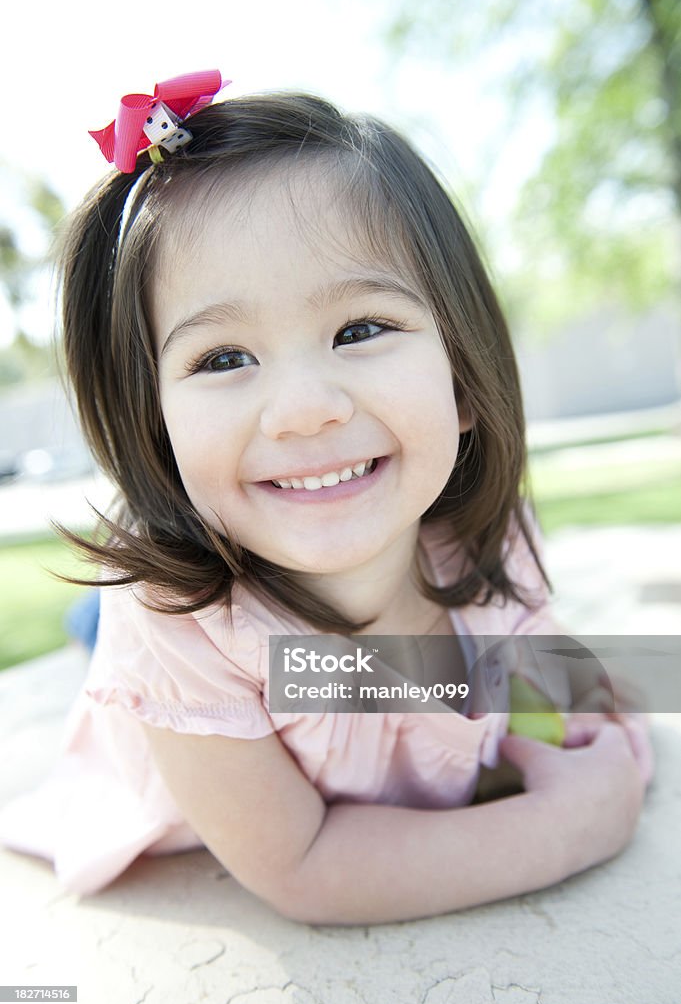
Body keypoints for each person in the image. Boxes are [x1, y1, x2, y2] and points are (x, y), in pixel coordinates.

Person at [0, 73, 653, 925]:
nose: (306, 409)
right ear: (154, 424)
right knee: (114, 627)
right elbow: (304, 863)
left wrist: (580, 732)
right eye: (224, 358)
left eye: (359, 330)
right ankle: (89, 633)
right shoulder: (179, 625)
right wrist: (567, 823)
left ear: (462, 381)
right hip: (208, 620)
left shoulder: (477, 533)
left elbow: (542, 680)